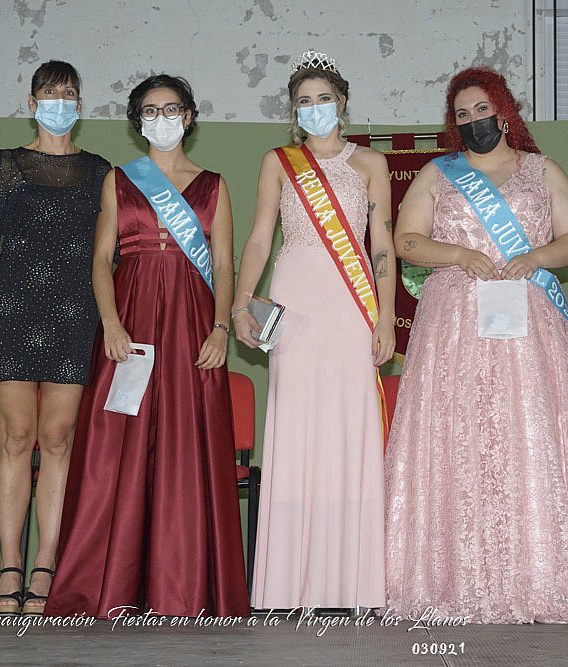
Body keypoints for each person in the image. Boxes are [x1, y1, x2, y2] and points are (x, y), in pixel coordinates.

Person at [386, 67, 568, 624]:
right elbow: (406, 240)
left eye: (481, 110)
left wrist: (535, 257)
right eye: (462, 114)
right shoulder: (439, 173)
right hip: (454, 326)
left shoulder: (542, 170)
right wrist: (459, 255)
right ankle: (450, 580)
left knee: (534, 436)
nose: (473, 121)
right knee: (457, 439)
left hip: (530, 319)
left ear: (504, 112)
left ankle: (542, 578)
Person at [45, 75, 250, 618]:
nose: (163, 118)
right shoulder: (118, 180)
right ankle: (109, 584)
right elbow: (100, 260)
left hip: (192, 325)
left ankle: (183, 585)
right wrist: (111, 323)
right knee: (116, 447)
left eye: (172, 108)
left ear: (189, 116)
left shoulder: (214, 185)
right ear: (138, 121)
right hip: (131, 324)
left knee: (188, 444)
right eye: (151, 110)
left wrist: (220, 328)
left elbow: (223, 263)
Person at [233, 49, 395, 611]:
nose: (316, 107)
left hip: (352, 303)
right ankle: (288, 583)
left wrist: (385, 316)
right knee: (297, 422)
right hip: (295, 299)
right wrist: (240, 305)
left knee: (352, 422)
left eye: (324, 98)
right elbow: (260, 238)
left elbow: (382, 244)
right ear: (293, 110)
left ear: (342, 102)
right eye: (305, 101)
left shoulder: (371, 163)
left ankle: (356, 581)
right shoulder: (278, 161)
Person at [0, 60, 110, 615]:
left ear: (80, 104)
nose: (59, 102)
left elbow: (111, 254)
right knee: (16, 437)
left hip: (75, 316)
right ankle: (9, 567)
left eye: (69, 93)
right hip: (10, 313)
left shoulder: (100, 170)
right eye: (50, 93)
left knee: (57, 439)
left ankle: (46, 566)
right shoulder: (4, 164)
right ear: (31, 103)